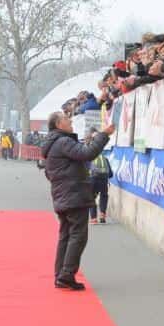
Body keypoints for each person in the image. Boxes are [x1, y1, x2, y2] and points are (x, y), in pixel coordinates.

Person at [41, 112, 115, 291]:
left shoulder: (53, 145)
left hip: (63, 195)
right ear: (59, 124)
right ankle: (67, 275)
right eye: (67, 120)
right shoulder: (63, 142)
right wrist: (103, 135)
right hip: (73, 195)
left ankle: (61, 274)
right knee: (77, 236)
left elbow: (51, 172)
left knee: (66, 236)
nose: (71, 121)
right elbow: (88, 153)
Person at [87, 135, 111, 225]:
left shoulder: (88, 157)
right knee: (104, 195)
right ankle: (102, 214)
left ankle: (93, 219)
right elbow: (110, 173)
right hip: (104, 180)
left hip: (92, 180)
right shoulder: (104, 158)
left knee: (91, 198)